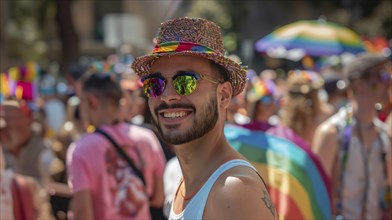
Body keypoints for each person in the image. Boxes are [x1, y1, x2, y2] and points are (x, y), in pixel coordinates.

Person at [132, 17, 276, 219]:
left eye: (186, 81)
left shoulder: (233, 190)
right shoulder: (186, 182)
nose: (167, 95)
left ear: (224, 95)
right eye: (155, 84)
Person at [66, 71, 166, 219]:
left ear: (92, 101)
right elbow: (158, 198)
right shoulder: (147, 138)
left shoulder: (81, 150)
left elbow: (83, 214)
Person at [312, 53, 392, 219]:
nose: (388, 82)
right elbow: (315, 195)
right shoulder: (331, 133)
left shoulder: (385, 136)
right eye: (381, 75)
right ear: (357, 83)